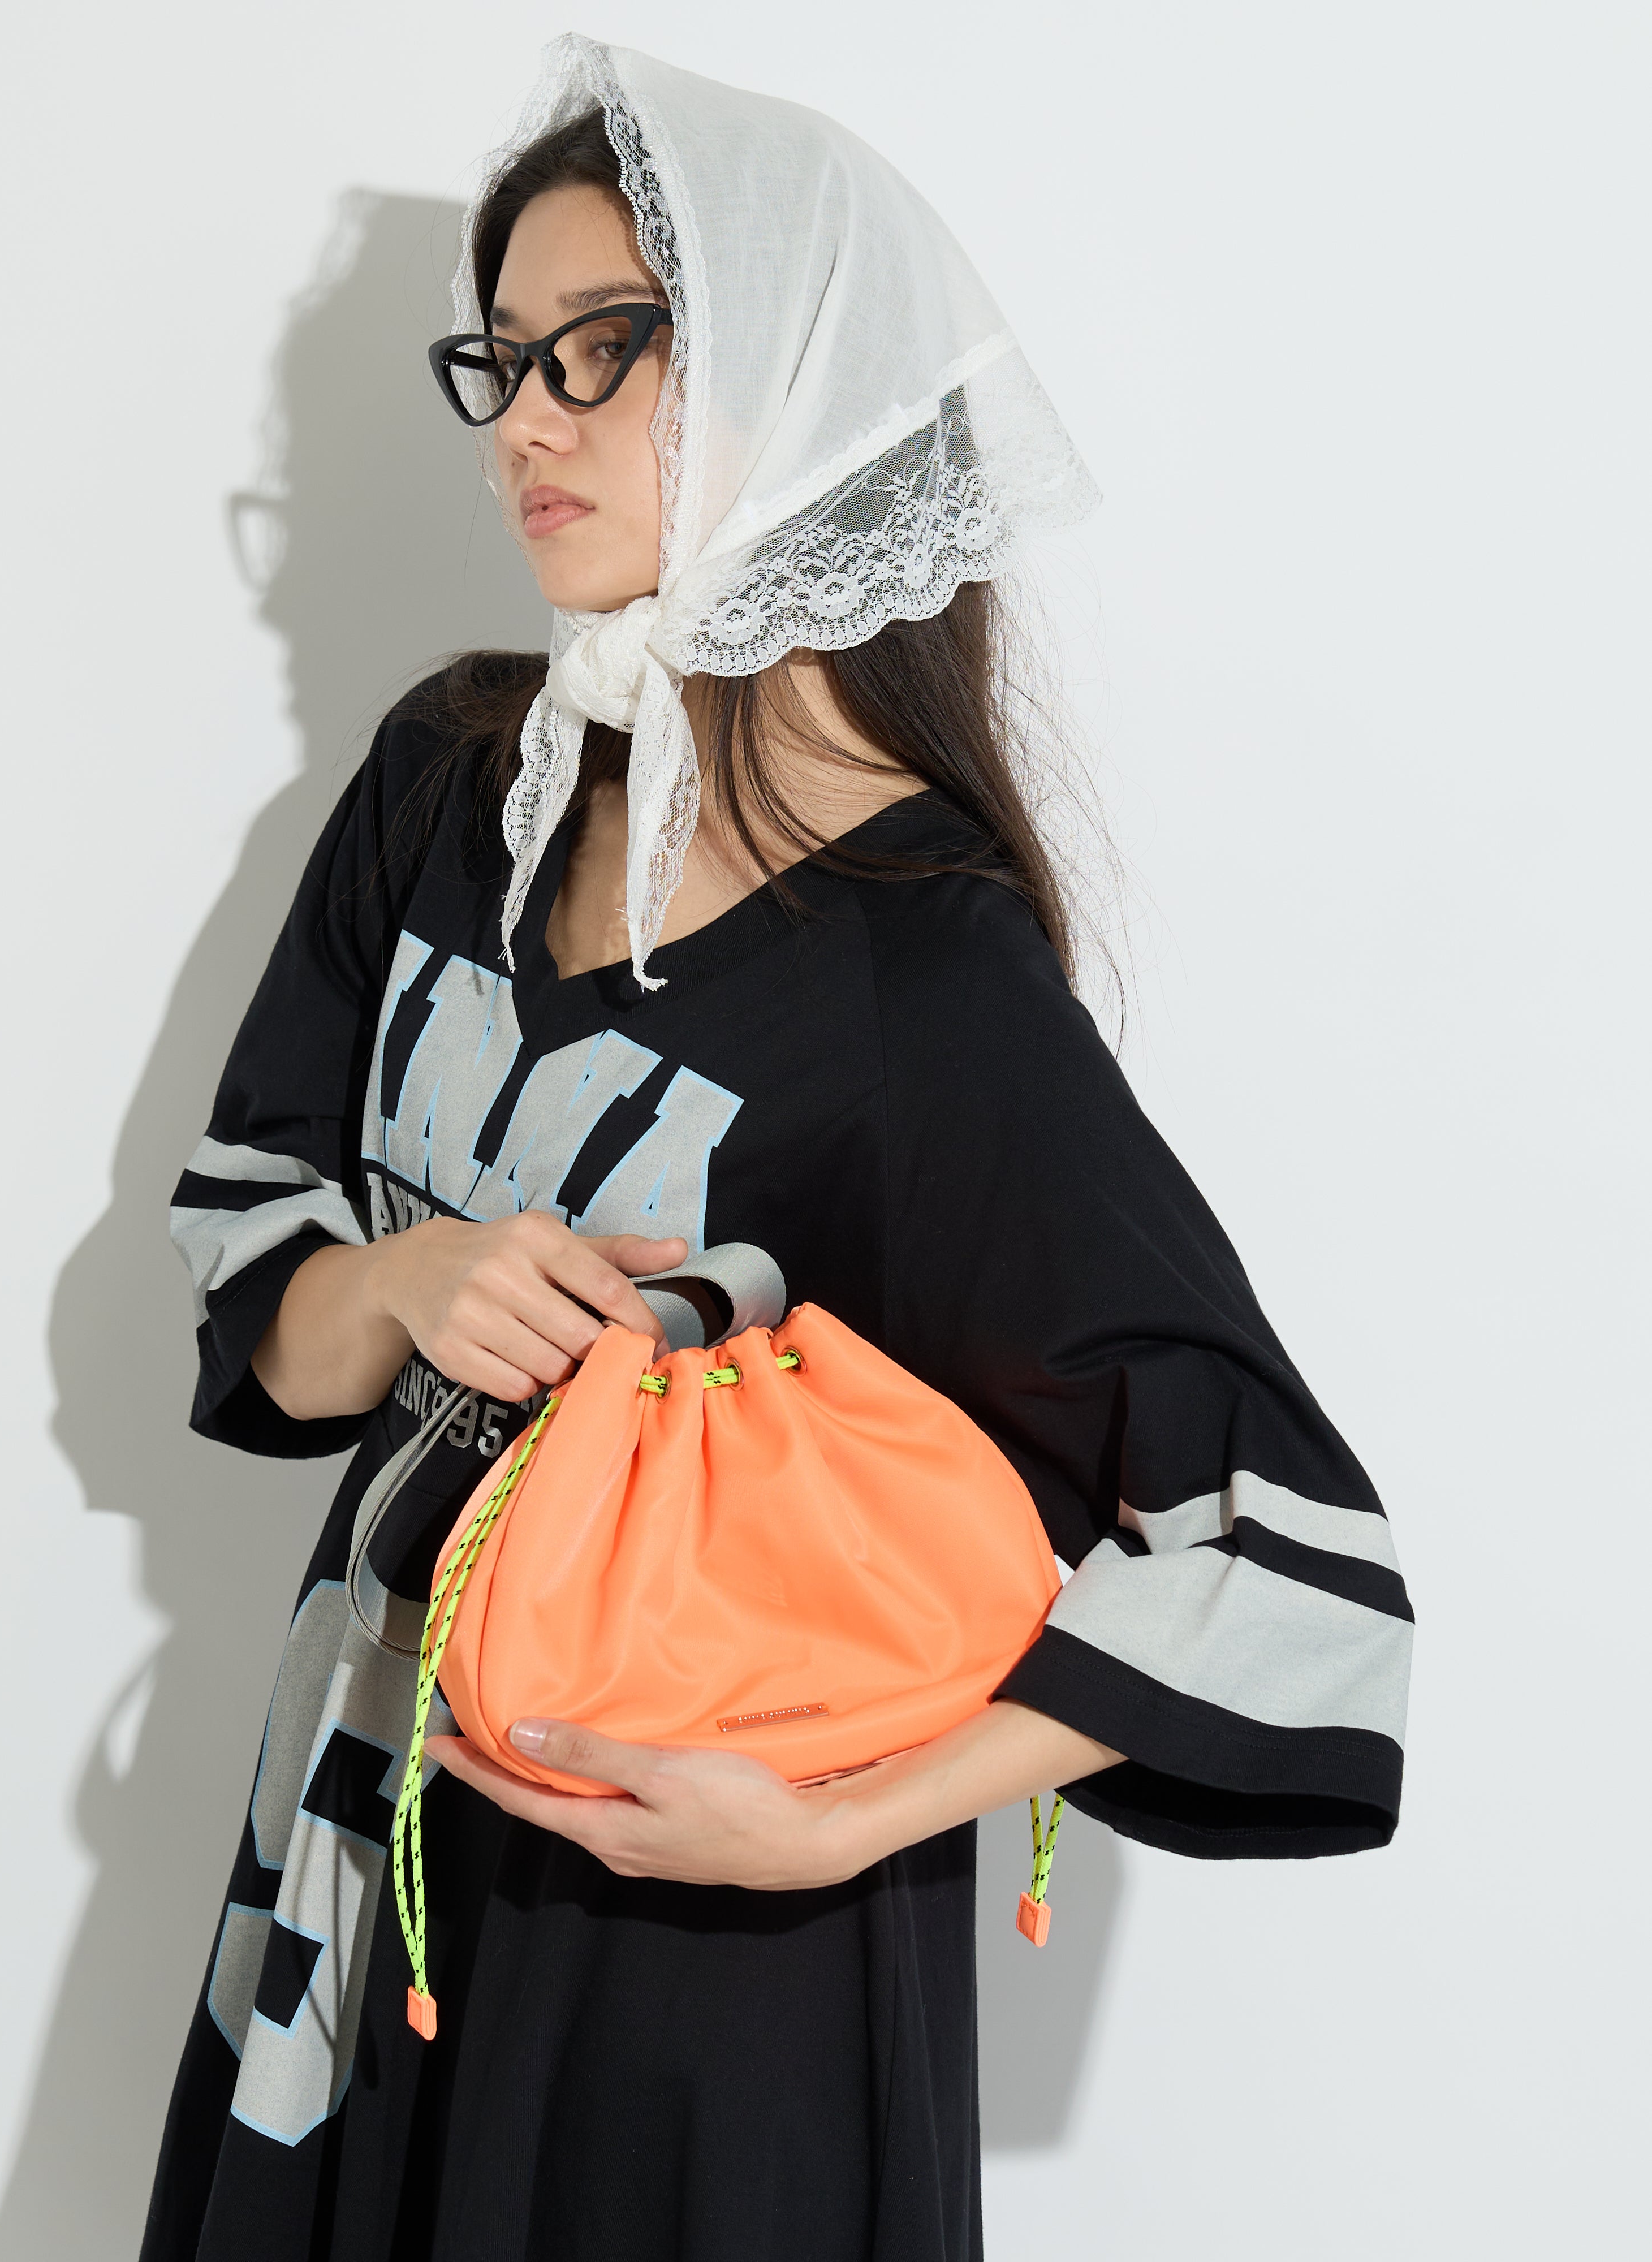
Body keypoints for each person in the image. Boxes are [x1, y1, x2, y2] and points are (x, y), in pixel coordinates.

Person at [141, 36, 1412, 2262]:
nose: (526, 421)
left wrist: (840, 1826)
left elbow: (1296, 1568)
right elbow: (254, 1273)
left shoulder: (924, 971)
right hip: (361, 1856)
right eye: (506, 357)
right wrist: (412, 1282)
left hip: (689, 1964)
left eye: (604, 348)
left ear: (803, 381)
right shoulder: (445, 787)